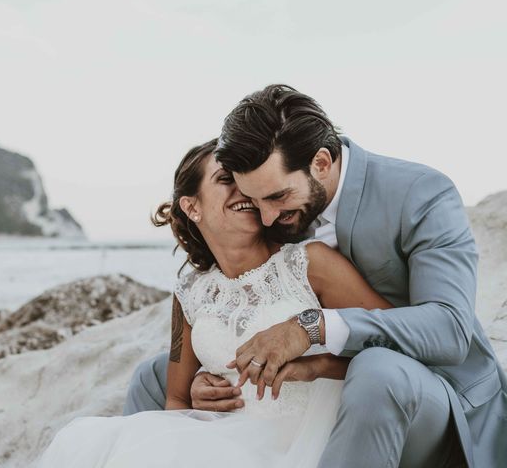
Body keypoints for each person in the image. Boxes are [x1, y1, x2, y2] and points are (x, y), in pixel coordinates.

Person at [126, 85, 507, 467]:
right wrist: (196, 388)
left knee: (377, 372)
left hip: (434, 389)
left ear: (321, 164)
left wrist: (311, 327)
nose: (267, 218)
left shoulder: (420, 193)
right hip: (324, 378)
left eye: (275, 198)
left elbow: (451, 330)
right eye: (253, 200)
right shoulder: (275, 203)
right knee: (155, 374)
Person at [37, 139, 394, 467]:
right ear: (192, 207)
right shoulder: (191, 290)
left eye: (248, 180)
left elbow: (395, 341)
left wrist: (317, 365)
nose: (244, 191)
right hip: (220, 439)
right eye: (227, 179)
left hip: (306, 444)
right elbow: (175, 403)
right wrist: (194, 393)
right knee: (85, 443)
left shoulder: (307, 264)